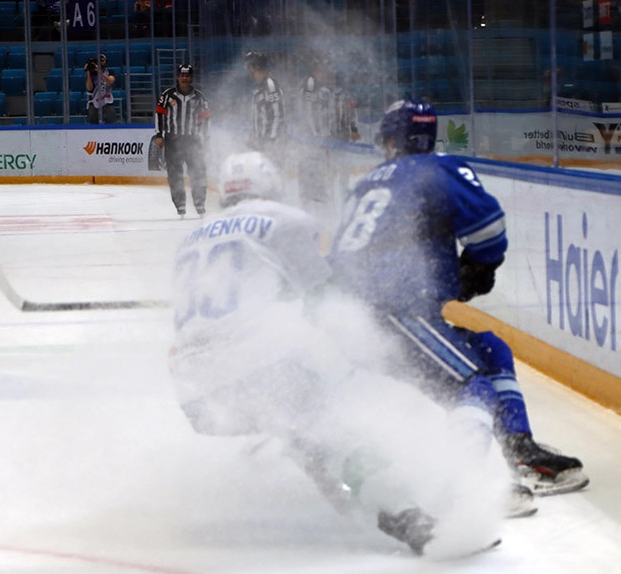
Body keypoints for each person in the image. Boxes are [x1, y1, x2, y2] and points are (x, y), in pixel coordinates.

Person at [168, 151, 508, 557]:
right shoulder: (282, 219)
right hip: (256, 366)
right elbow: (324, 297)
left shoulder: (190, 239)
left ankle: (354, 502)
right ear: (271, 186)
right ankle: (411, 517)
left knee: (304, 432)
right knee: (337, 424)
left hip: (195, 392)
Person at [326, 99, 589, 496]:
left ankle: (520, 450)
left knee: (490, 349)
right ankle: (469, 488)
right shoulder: (438, 168)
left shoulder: (366, 182)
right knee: (473, 383)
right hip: (391, 310)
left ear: (392, 141)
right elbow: (489, 227)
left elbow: (338, 258)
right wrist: (480, 266)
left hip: (349, 317)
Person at [154, 64, 210, 218]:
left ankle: (200, 205)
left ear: (191, 78)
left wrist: (206, 138)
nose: (185, 78)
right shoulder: (167, 95)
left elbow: (205, 119)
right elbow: (159, 114)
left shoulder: (199, 97)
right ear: (178, 77)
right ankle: (180, 206)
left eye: (187, 75)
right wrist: (159, 134)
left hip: (193, 140)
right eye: (182, 75)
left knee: (198, 172)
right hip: (173, 140)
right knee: (174, 174)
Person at [244, 51, 286, 157]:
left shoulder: (271, 86)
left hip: (272, 145)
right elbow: (258, 117)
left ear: (255, 66)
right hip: (261, 143)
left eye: (250, 66)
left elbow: (278, 115)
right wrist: (253, 137)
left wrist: (272, 140)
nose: (249, 70)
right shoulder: (258, 87)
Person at [85, 53, 116, 124]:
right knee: (94, 123)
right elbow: (89, 88)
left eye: (103, 61)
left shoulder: (109, 72)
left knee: (111, 122)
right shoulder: (92, 74)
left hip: (107, 101)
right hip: (94, 101)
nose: (101, 63)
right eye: (99, 61)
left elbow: (110, 82)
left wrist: (100, 72)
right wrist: (88, 72)